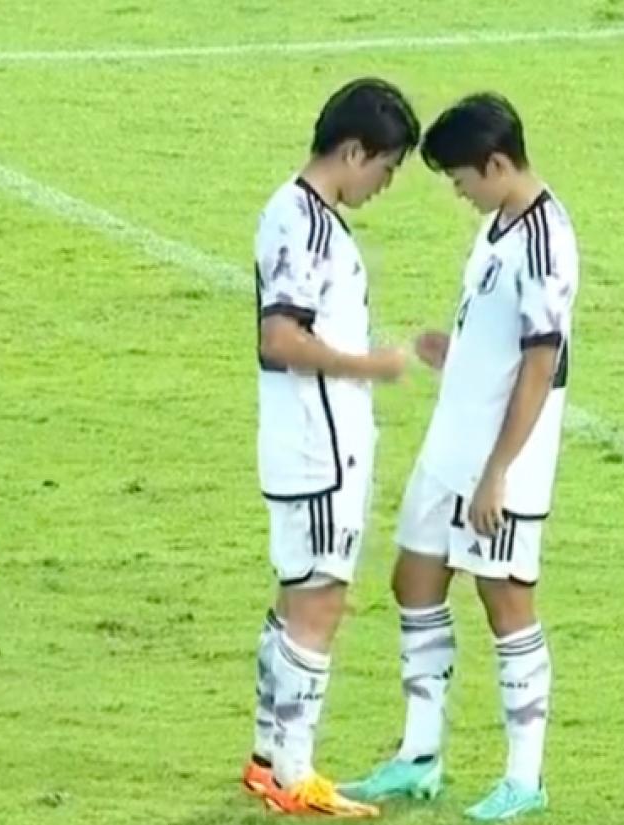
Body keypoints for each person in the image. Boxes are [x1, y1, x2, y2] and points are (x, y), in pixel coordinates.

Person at [345, 92, 580, 822]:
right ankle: (419, 754)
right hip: (454, 441)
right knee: (414, 578)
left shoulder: (547, 241)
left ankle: (523, 776)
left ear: (499, 163)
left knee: (504, 600)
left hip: (502, 457)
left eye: (461, 179)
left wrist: (500, 471)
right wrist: (462, 354)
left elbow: (543, 365)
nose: (458, 192)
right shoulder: (498, 223)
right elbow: (503, 339)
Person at [243, 76, 420, 819]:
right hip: (319, 449)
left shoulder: (302, 216)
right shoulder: (304, 224)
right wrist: (369, 364)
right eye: (384, 168)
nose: (383, 185)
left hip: (309, 444)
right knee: (320, 601)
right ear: (353, 150)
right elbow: (279, 337)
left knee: (297, 599)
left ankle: (267, 759)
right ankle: (295, 771)